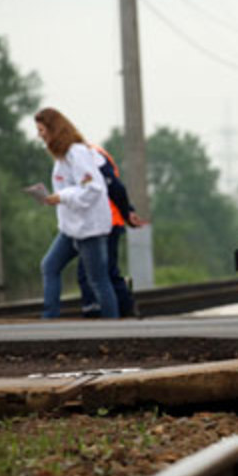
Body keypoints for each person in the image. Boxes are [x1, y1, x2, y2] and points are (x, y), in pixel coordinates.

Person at [34, 107, 119, 319]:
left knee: (98, 280)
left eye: (42, 130)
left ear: (54, 129)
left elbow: (93, 189)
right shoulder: (62, 157)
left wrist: (62, 197)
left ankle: (114, 327)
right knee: (50, 265)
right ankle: (49, 318)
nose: (39, 135)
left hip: (89, 228)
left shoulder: (77, 153)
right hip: (71, 228)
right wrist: (57, 197)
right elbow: (71, 188)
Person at [78, 144, 145, 318]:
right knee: (102, 271)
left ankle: (110, 313)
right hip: (93, 223)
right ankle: (122, 311)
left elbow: (115, 187)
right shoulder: (81, 154)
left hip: (106, 222)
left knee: (98, 272)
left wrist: (126, 212)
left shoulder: (91, 154)